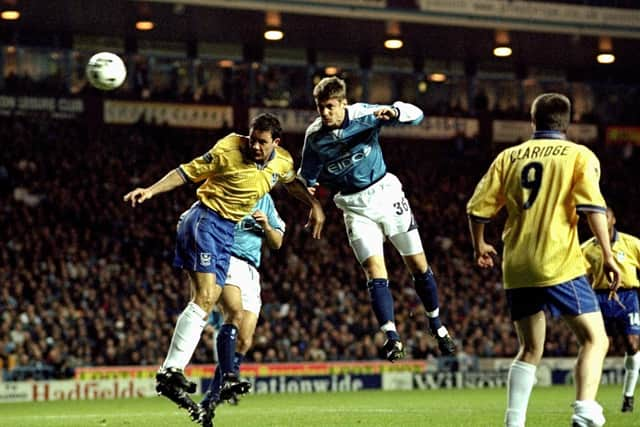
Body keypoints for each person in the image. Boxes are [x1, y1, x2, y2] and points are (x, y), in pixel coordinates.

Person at [123, 113, 324, 420]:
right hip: (205, 220)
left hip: (223, 232)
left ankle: (181, 372)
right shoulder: (229, 148)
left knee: (217, 305)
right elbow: (187, 171)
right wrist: (150, 190)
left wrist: (315, 207)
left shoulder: (281, 161)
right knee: (205, 297)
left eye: (262, 142)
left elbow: (292, 183)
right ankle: (172, 370)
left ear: (276, 143)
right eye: (252, 138)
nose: (254, 146)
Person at [467, 92, 620, 427]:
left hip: (517, 265)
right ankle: (584, 408)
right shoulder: (579, 155)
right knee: (596, 339)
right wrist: (608, 255)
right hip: (558, 262)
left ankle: (514, 421)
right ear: (568, 123)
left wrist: (479, 245)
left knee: (531, 348)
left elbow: (477, 209)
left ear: (532, 121)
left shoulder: (509, 156)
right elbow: (592, 207)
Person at [297, 76, 455, 363]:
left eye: (330, 107)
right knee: (373, 269)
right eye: (320, 107)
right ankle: (392, 337)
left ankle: (436, 324)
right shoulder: (314, 137)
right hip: (354, 206)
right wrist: (311, 199)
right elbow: (304, 178)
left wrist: (395, 112)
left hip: (385, 194)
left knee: (418, 265)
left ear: (344, 103)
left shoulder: (365, 114)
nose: (324, 113)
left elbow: (416, 115)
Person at [198, 193, 285, 427]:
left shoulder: (266, 201)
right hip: (226, 260)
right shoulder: (229, 190)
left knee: (245, 341)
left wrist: (266, 225)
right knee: (234, 314)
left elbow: (277, 242)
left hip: (252, 270)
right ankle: (228, 378)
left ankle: (209, 401)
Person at [582, 207, 640, 413]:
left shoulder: (632, 244)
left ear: (613, 220)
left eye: (605, 216)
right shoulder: (586, 248)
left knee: (632, 345)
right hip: (599, 298)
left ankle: (628, 396)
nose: (601, 220)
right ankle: (588, 399)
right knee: (596, 346)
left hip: (628, 297)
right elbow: (579, 275)